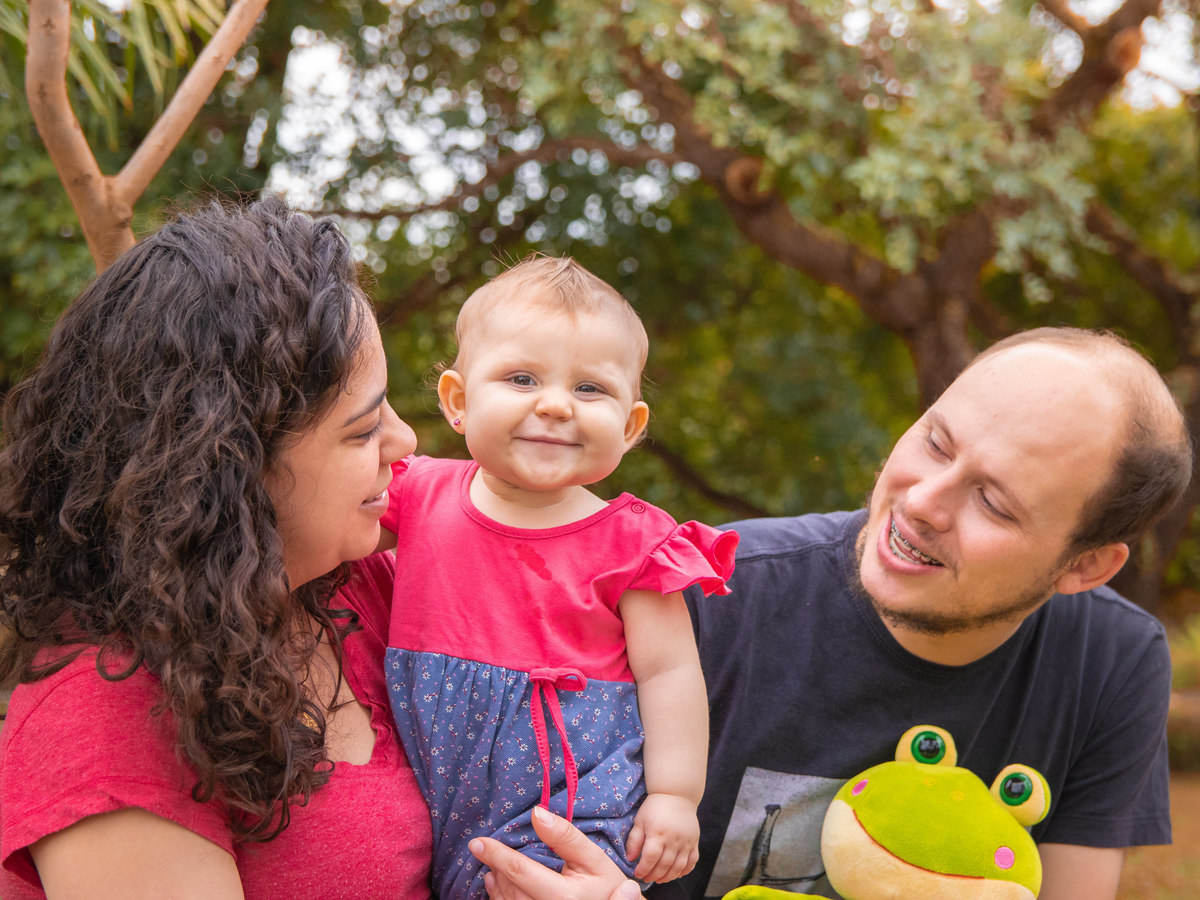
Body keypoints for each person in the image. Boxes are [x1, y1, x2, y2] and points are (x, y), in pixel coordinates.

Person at [0, 197, 641, 900]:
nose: (405, 440)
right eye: (363, 429)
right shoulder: (102, 723)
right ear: (232, 468)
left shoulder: (368, 590)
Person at [479, 327, 1191, 900]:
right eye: (935, 442)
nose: (922, 501)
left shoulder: (1113, 659)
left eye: (994, 502)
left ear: (1084, 567)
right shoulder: (699, 594)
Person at [377, 255, 738, 899]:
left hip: (569, 796)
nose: (555, 405)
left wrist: (675, 796)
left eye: (590, 389)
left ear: (630, 427)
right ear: (458, 401)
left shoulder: (634, 544)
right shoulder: (417, 494)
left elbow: (670, 674)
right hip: (425, 778)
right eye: (521, 378)